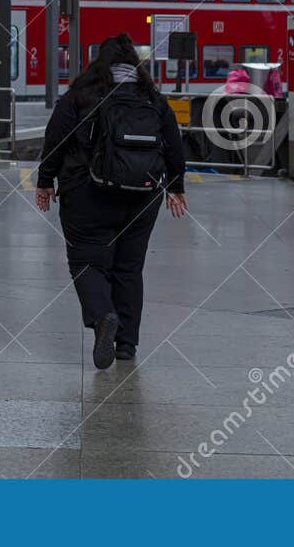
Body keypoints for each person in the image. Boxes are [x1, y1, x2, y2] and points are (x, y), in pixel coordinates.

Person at [35, 34, 188, 369]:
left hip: (86, 192)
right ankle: (126, 345)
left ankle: (103, 316)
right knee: (129, 268)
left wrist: (45, 181)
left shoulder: (81, 95)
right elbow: (175, 145)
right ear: (134, 64)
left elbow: (55, 139)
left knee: (87, 262)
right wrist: (176, 186)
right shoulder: (152, 97)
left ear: (98, 62)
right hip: (142, 195)